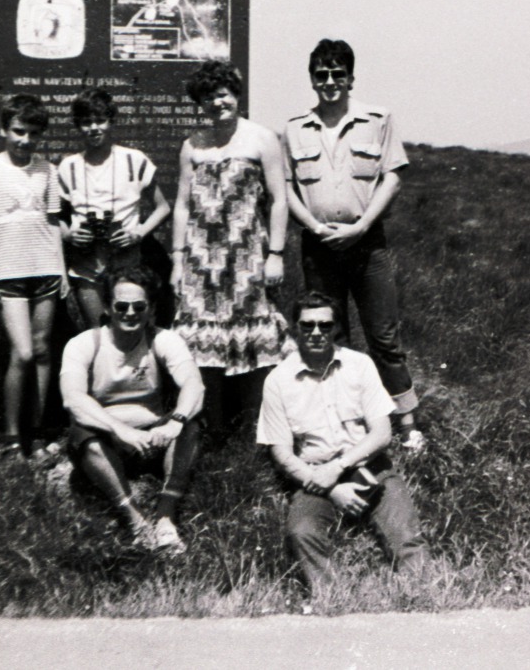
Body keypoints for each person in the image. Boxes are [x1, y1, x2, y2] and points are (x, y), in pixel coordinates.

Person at [282, 39, 423, 449]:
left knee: (383, 337)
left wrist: (360, 227)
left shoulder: (378, 119)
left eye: (338, 74)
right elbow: (286, 187)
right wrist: (314, 227)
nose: (330, 82)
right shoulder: (293, 128)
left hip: (367, 244)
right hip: (319, 246)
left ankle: (408, 426)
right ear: (311, 79)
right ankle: (342, 424)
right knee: (329, 334)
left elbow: (392, 177)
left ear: (351, 78)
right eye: (321, 75)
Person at [257, 292, 427, 590]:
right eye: (307, 326)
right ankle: (330, 601)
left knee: (406, 536)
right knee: (302, 532)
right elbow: (281, 453)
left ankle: (425, 598)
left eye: (324, 325)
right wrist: (332, 488)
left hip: (370, 467)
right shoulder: (278, 381)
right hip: (314, 476)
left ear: (335, 328)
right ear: (294, 328)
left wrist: (339, 468)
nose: (316, 333)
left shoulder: (359, 365)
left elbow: (382, 433)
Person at [170, 61, 291, 436]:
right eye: (208, 98)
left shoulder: (262, 139)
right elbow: (182, 205)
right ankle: (213, 425)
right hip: (200, 260)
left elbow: (279, 200)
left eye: (222, 94)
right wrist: (177, 260)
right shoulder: (193, 145)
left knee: (255, 337)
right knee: (205, 343)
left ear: (235, 95)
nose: (217, 103)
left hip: (247, 257)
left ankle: (256, 426)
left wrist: (276, 254)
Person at [59, 266, 203, 555]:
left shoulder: (163, 339)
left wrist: (174, 421)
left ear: (150, 309)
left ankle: (165, 516)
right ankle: (135, 520)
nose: (130, 313)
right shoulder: (84, 344)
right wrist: (120, 430)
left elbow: (194, 385)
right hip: (110, 439)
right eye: (121, 306)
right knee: (84, 434)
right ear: (108, 308)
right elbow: (73, 399)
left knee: (192, 425)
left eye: (139, 306)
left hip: (154, 439)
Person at [0, 93, 66, 451]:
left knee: (41, 351)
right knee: (21, 353)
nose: (25, 140)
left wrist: (62, 271)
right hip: (7, 271)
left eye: (33, 133)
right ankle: (10, 434)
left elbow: (53, 222)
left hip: (46, 269)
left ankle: (36, 433)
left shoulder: (47, 170)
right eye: (18, 131)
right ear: (4, 129)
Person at [57, 89, 170, 331]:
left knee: (132, 331)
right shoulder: (69, 167)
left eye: (100, 120)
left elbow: (163, 208)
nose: (94, 128)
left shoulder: (133, 160)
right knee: (98, 333)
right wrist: (68, 234)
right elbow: (55, 218)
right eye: (86, 122)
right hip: (86, 267)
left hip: (127, 264)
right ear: (78, 126)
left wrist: (138, 233)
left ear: (112, 121)